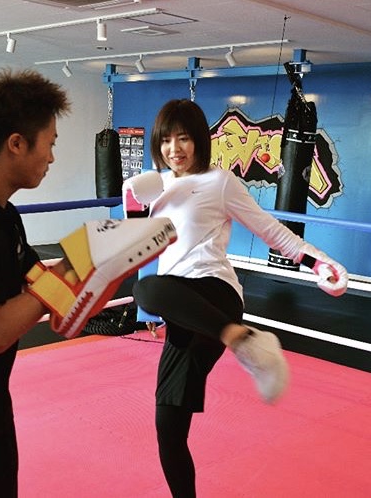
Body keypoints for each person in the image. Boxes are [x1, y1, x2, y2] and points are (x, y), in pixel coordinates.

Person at [0, 69, 175, 497]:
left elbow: (55, 301)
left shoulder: (6, 217)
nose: (52, 157)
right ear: (16, 143)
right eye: (50, 143)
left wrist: (107, 267)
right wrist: (78, 260)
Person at [124, 99, 348, 498]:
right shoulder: (157, 187)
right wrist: (133, 209)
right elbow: (138, 250)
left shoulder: (220, 182)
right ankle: (243, 341)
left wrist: (317, 261)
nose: (174, 149)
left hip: (214, 294)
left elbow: (268, 228)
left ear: (199, 140)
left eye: (183, 138)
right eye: (166, 140)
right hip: (182, 310)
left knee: (146, 290)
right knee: (168, 430)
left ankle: (239, 337)